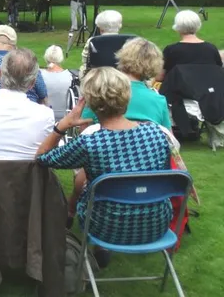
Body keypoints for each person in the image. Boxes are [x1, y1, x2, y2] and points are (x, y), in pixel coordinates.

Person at [37, 67, 173, 247]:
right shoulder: (158, 135)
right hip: (157, 225)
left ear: (90, 102)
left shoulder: (89, 143)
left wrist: (62, 125)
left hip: (104, 227)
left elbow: (41, 157)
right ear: (127, 95)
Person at [82, 38, 171, 129]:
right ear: (155, 64)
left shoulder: (102, 91)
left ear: (123, 56)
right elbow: (169, 137)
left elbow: (83, 125)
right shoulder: (159, 100)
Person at [158, 10, 222, 81]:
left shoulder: (171, 50)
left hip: (179, 90)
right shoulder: (211, 48)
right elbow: (219, 72)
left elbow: (160, 76)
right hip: (208, 89)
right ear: (198, 25)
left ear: (177, 27)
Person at [79, 9, 124, 79]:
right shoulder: (128, 41)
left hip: (97, 77)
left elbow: (85, 61)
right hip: (120, 76)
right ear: (120, 25)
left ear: (99, 27)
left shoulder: (92, 41)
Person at [41, 45, 73, 121]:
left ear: (46, 57)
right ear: (61, 58)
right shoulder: (71, 76)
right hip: (65, 118)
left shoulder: (39, 76)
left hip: (44, 117)